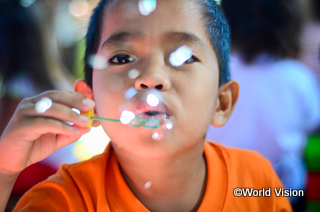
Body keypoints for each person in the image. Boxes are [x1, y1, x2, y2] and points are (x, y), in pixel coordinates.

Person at [0, 0, 292, 211]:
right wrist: (3, 172)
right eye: (122, 58)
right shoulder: (64, 202)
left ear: (222, 103)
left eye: (183, 57)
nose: (151, 78)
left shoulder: (256, 181)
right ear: (91, 101)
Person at [206, 0, 320, 211]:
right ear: (289, 22)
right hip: (282, 194)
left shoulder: (211, 73)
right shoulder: (298, 78)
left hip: (223, 192)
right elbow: (311, 126)